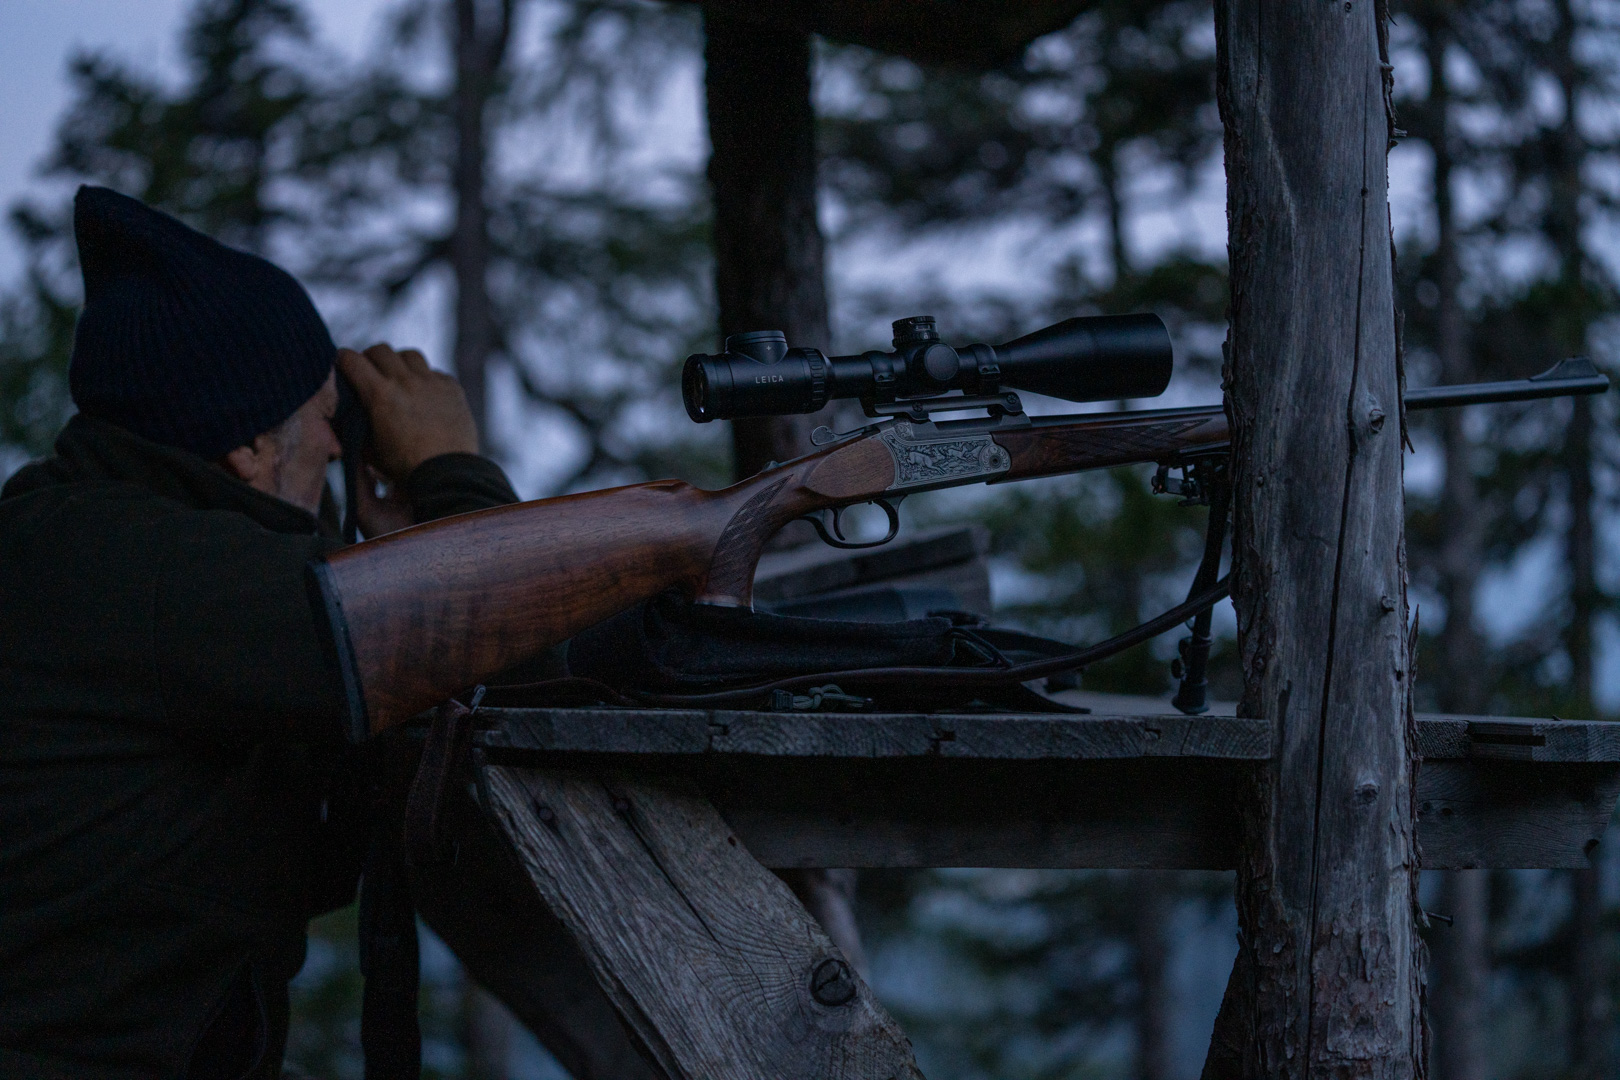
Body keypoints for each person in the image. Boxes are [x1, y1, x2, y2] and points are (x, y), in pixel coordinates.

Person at [0, 186, 519, 1079]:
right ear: (245, 443)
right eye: (325, 415)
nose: (334, 445)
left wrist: (394, 557)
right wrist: (451, 469)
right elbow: (521, 643)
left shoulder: (88, 546)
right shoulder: (153, 571)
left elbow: (301, 862)